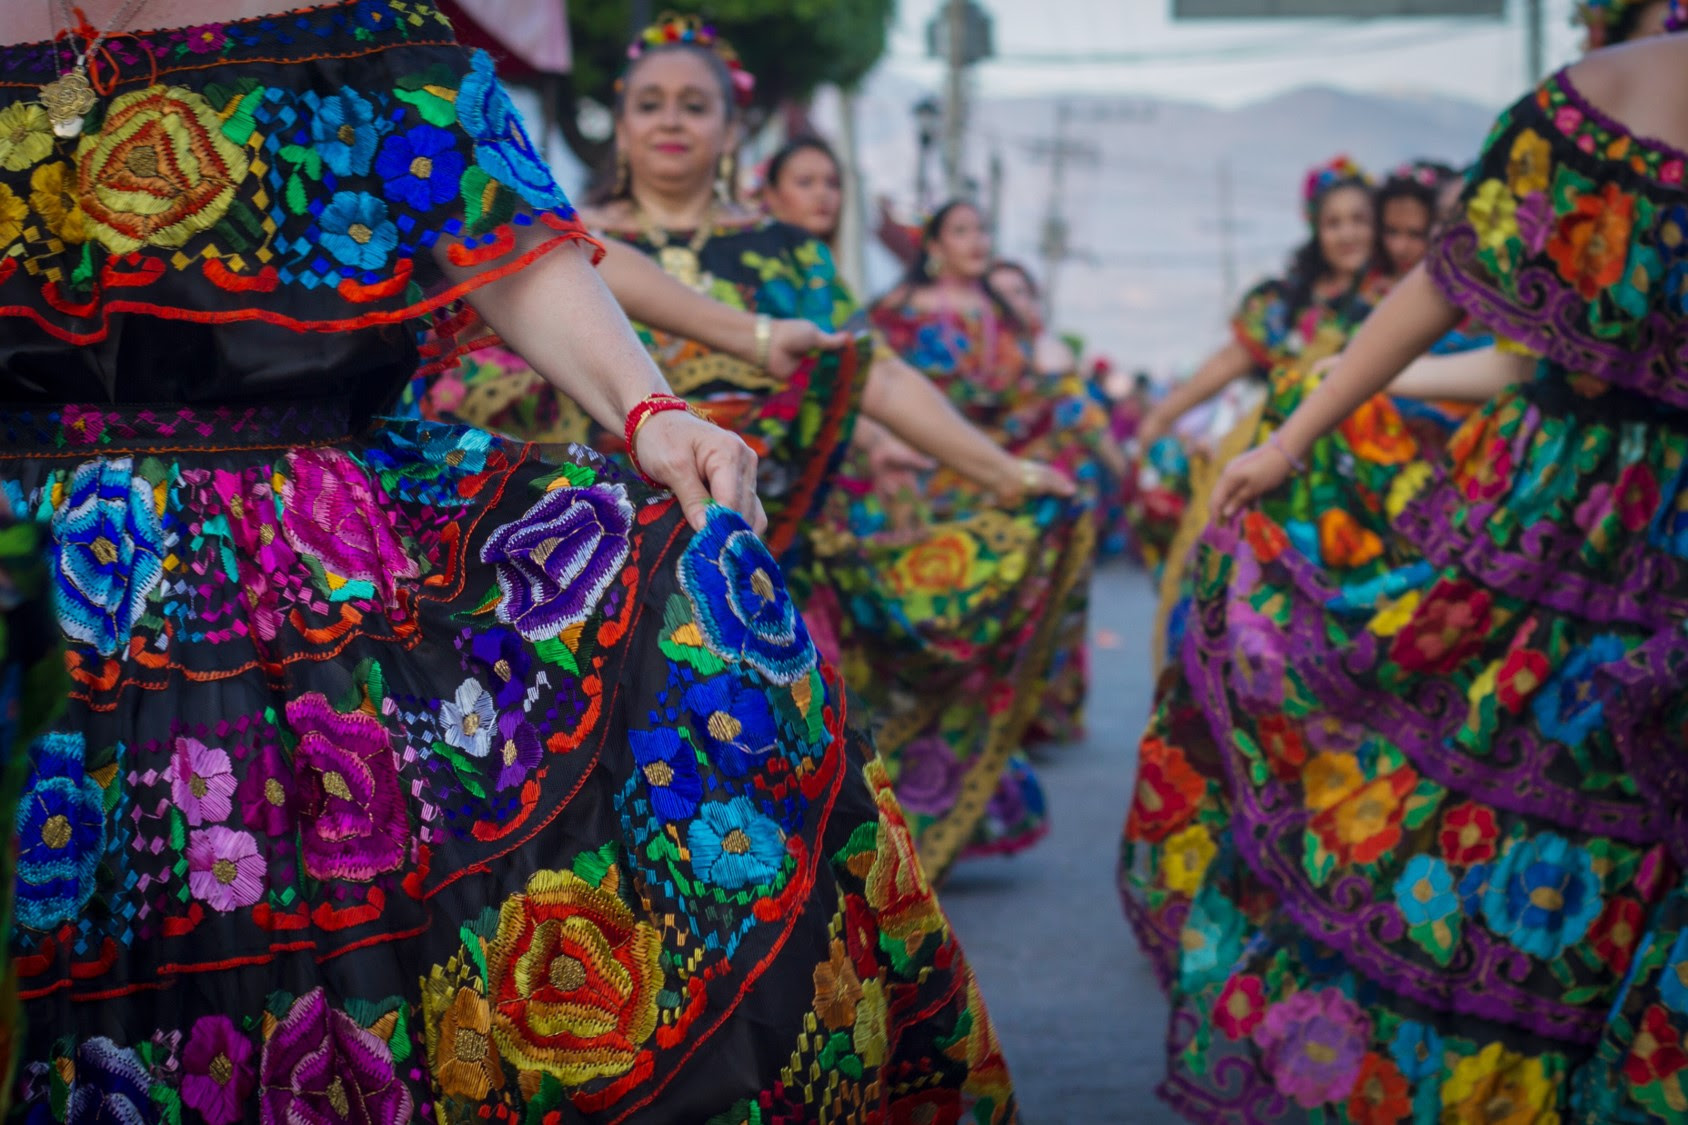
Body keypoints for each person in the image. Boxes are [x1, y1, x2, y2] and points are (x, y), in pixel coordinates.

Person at [0, 2, 1020, 1120]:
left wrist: (654, 410)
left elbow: (509, 238)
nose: (669, 123)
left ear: (732, 129)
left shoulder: (354, 26)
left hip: (279, 566)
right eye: (650, 104)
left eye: (691, 106)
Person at [1161, 21, 1688, 1120]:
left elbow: (1447, 290)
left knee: (1506, 813)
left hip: (1562, 519)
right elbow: (1462, 303)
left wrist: (1292, 433)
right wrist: (1297, 430)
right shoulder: (1591, 95)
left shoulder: (1594, 96)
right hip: (1580, 526)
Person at [987, 258, 1127, 745]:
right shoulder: (975, 355)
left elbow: (1086, 420)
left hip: (1060, 500)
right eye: (1000, 293)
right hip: (993, 498)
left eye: (1020, 292)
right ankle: (1001, 718)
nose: (1011, 302)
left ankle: (1044, 715)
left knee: (1060, 605)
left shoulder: (1050, 354)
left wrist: (1127, 471)